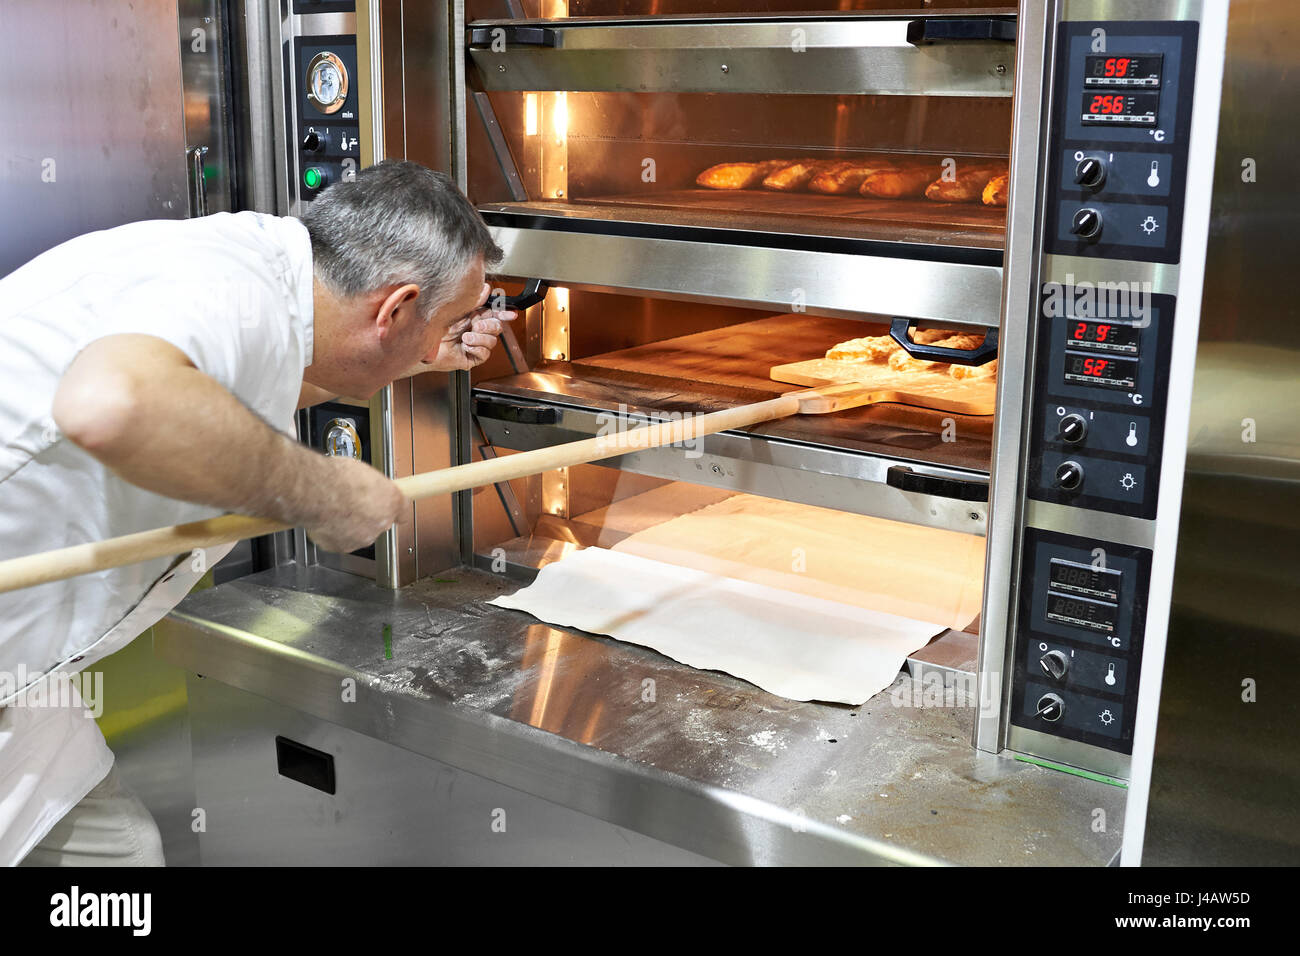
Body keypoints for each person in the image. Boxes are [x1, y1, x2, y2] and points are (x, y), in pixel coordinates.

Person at [0, 160, 513, 865]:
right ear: (393, 308)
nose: (439, 344)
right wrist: (326, 493)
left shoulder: (265, 267)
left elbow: (233, 393)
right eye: (443, 323)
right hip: (16, 644)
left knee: (117, 856)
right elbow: (113, 405)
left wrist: (419, 358)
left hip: (25, 669)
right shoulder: (232, 291)